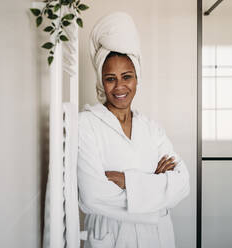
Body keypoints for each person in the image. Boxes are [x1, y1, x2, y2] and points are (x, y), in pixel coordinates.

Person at [77, 12, 190, 248]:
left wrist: (126, 180)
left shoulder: (152, 129)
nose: (119, 86)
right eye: (110, 78)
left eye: (126, 76)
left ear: (137, 78)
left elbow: (182, 183)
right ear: (101, 82)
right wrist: (155, 188)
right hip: (111, 238)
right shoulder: (85, 125)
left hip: (158, 238)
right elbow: (92, 196)